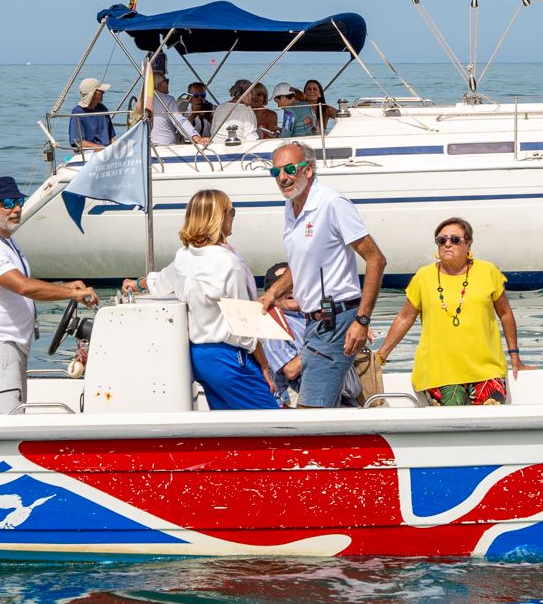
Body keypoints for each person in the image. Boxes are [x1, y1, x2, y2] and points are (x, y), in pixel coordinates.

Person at [255, 141, 386, 407]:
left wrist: (362, 320)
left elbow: (376, 259)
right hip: (313, 323)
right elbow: (301, 263)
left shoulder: (332, 203)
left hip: (336, 320)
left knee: (310, 412)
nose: (283, 177)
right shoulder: (291, 207)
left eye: (290, 168)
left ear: (309, 170)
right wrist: (271, 293)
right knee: (325, 408)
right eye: (276, 172)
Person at [123, 189, 279, 410]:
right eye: (231, 211)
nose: (233, 217)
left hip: (200, 358)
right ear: (219, 218)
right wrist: (264, 365)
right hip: (230, 359)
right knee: (272, 421)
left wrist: (136, 284)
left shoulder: (184, 257)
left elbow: (160, 282)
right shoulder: (228, 263)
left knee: (228, 430)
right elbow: (244, 326)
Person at [0, 175, 97, 414]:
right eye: (7, 203)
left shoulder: (6, 241)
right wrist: (70, 293)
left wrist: (69, 285)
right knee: (6, 425)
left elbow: (26, 285)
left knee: (16, 418)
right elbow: (23, 287)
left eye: (18, 201)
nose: (16, 209)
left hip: (11, 347)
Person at [374, 217, 527, 406]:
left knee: (488, 426)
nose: (447, 244)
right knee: (453, 427)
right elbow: (405, 317)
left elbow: (505, 314)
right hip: (438, 374)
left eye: (455, 240)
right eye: (441, 240)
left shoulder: (488, 271)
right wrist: (380, 356)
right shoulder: (424, 276)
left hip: (487, 371)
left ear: (469, 243)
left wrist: (515, 356)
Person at [257, 260, 307, 400]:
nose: (290, 290)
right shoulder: (274, 326)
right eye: (282, 288)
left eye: (294, 285)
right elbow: (290, 370)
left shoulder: (307, 317)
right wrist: (327, 341)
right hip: (300, 402)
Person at [144, 76, 207, 149]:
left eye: (202, 96)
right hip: (166, 145)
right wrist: (196, 137)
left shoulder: (144, 100)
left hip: (147, 145)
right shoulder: (168, 99)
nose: (168, 84)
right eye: (167, 81)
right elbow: (179, 120)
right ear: (159, 84)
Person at [69, 78, 114, 153]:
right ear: (92, 94)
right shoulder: (77, 112)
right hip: (88, 151)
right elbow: (79, 143)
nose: (103, 92)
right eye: (100, 91)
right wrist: (99, 148)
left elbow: (111, 137)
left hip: (106, 151)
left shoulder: (102, 108)